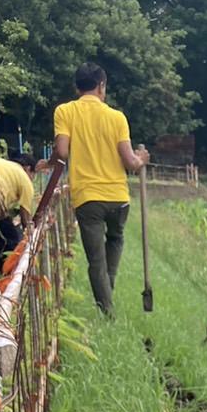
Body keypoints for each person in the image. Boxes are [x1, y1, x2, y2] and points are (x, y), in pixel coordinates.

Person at [51, 62, 148, 316]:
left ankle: (107, 311)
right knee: (115, 238)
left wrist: (50, 158)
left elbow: (62, 151)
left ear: (77, 86)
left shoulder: (65, 111)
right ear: (101, 86)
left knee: (96, 260)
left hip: (87, 198)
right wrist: (141, 159)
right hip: (118, 197)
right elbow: (131, 163)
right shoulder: (117, 117)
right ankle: (108, 289)